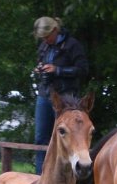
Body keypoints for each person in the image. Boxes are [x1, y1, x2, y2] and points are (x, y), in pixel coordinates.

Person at [32, 16, 89, 174]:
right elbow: (40, 62)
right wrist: (40, 69)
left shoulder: (72, 45)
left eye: (47, 36)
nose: (45, 40)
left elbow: (83, 69)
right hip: (45, 95)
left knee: (68, 138)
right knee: (41, 139)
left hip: (66, 99)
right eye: (42, 38)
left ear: (55, 31)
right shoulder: (44, 46)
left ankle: (68, 177)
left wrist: (58, 70)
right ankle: (40, 178)